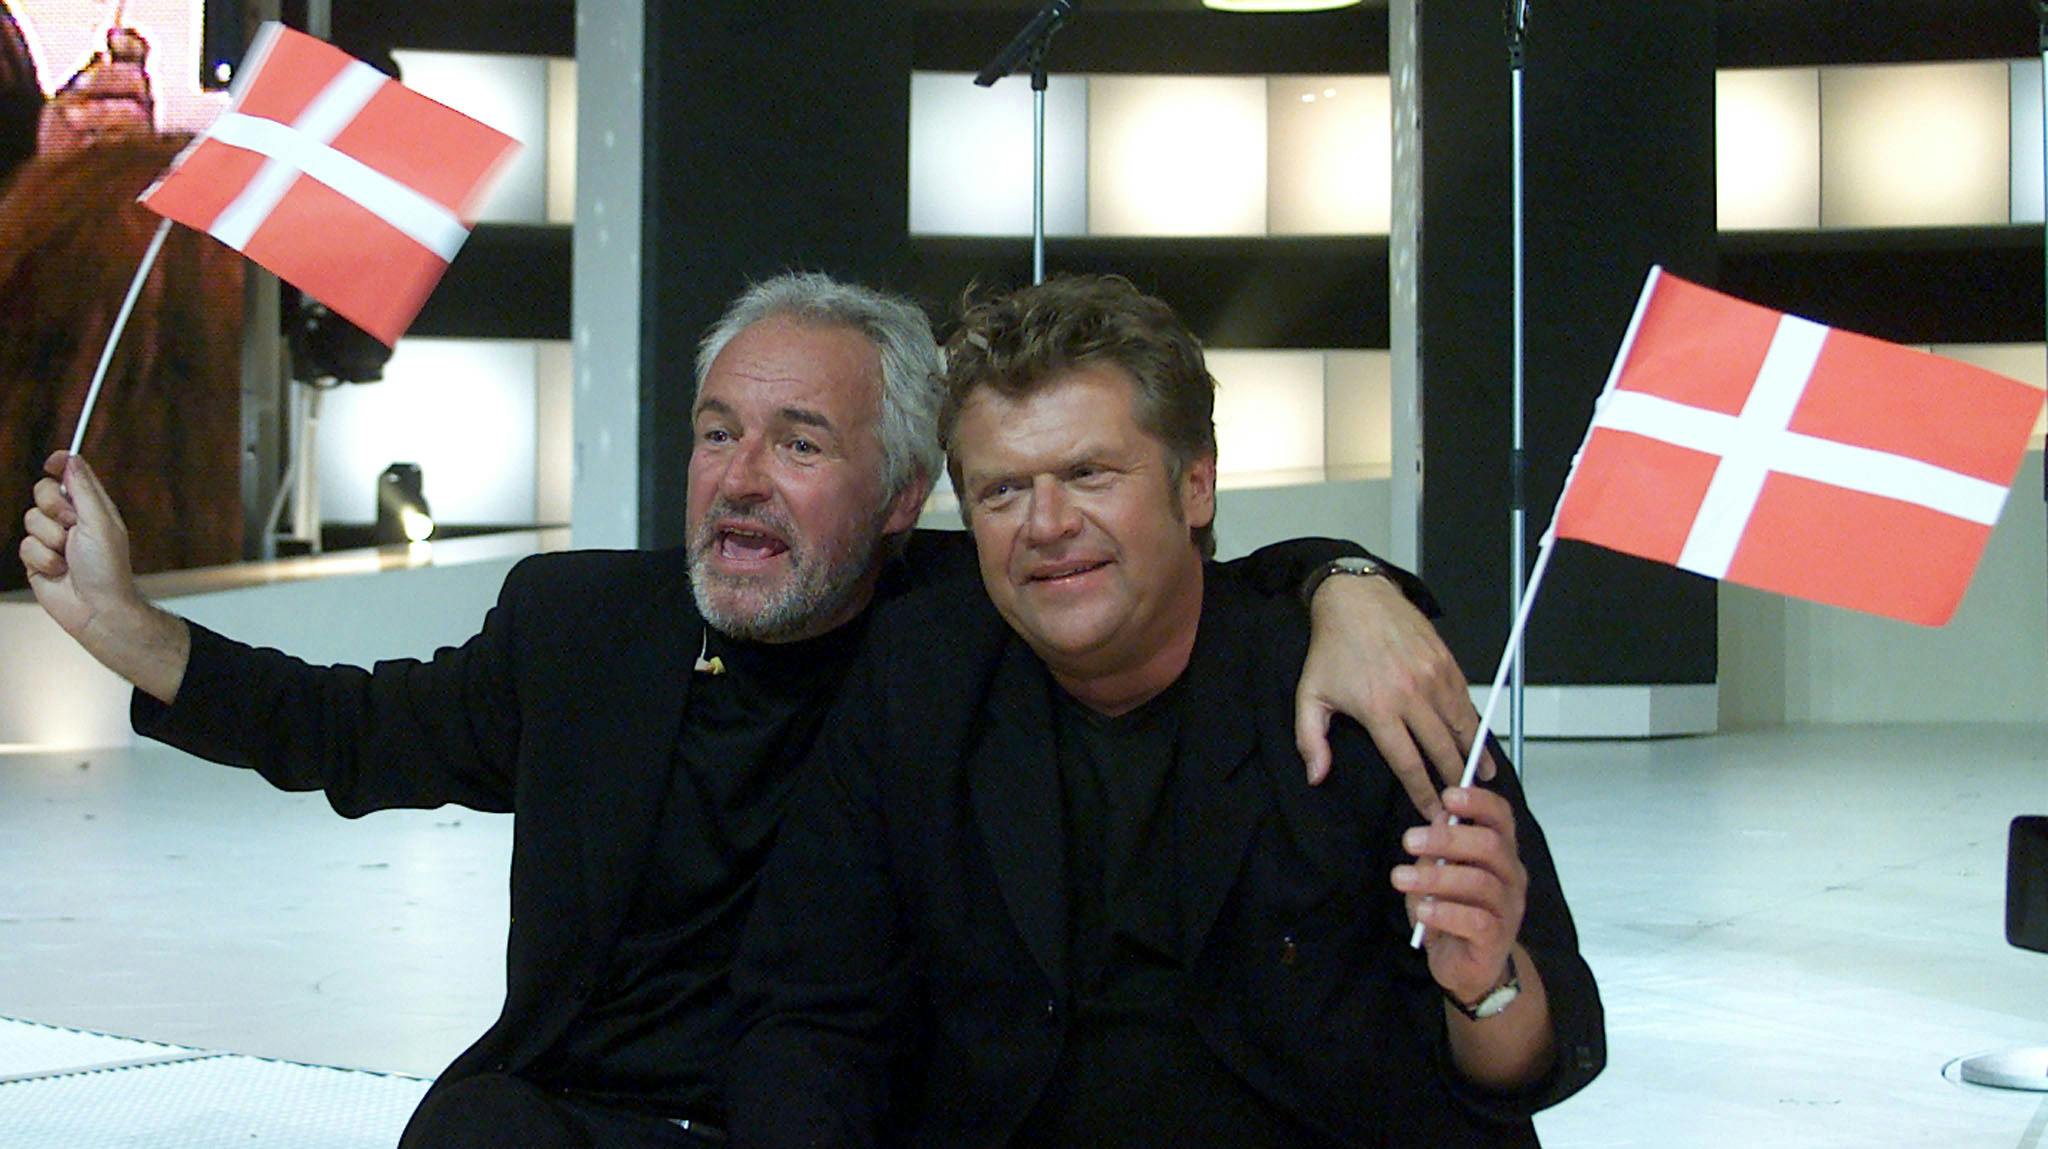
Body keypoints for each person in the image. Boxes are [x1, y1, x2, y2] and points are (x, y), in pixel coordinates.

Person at [19, 272, 1487, 1148]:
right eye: (717, 432)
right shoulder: (581, 628)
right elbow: (350, 727)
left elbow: (1156, 565)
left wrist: (1345, 578)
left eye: (798, 444)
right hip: (582, 1116)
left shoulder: (958, 620)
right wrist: (129, 628)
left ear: (902, 497)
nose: (737, 478)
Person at [727, 274, 1604, 1149]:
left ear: (1196, 487)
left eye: (1089, 474)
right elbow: (810, 1015)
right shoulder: (920, 680)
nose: (1046, 523)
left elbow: (1538, 1054)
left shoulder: (1355, 684)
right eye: (1002, 491)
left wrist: (1485, 987)